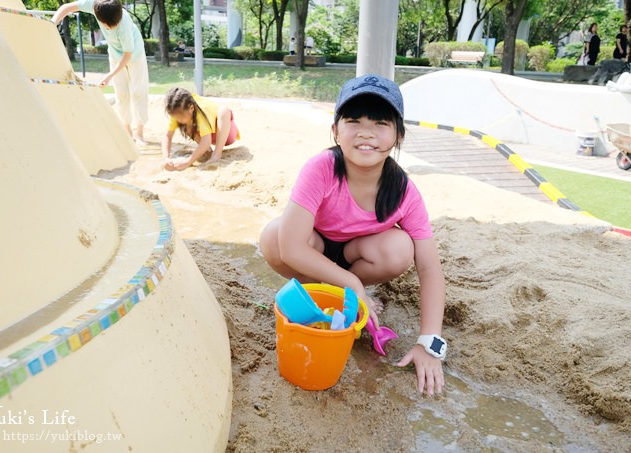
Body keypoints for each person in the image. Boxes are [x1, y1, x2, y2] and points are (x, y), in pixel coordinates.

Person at [259, 74, 446, 395]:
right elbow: (290, 247)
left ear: (398, 135)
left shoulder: (404, 191)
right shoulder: (321, 168)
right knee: (274, 236)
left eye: (380, 123)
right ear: (335, 131)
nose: (366, 132)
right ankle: (330, 288)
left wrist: (430, 344)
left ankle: (337, 289)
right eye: (353, 120)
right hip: (314, 249)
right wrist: (353, 285)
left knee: (401, 247)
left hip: (358, 256)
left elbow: (430, 269)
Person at [52, 0, 149, 146]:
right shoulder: (94, 5)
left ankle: (139, 132)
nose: (110, 28)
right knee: (121, 93)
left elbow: (127, 55)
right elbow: (66, 7)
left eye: (113, 25)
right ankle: (127, 131)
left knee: (138, 92)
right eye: (107, 25)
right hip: (115, 55)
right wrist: (51, 24)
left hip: (134, 54)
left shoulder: (124, 25)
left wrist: (109, 75)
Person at [161, 87, 240, 170]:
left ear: (191, 108)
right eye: (176, 118)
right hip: (210, 136)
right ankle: (208, 151)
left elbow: (206, 141)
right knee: (186, 124)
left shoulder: (200, 109)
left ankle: (217, 154)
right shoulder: (177, 112)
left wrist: (188, 162)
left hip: (227, 134)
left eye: (181, 117)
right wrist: (166, 158)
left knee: (224, 110)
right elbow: (167, 136)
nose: (178, 120)